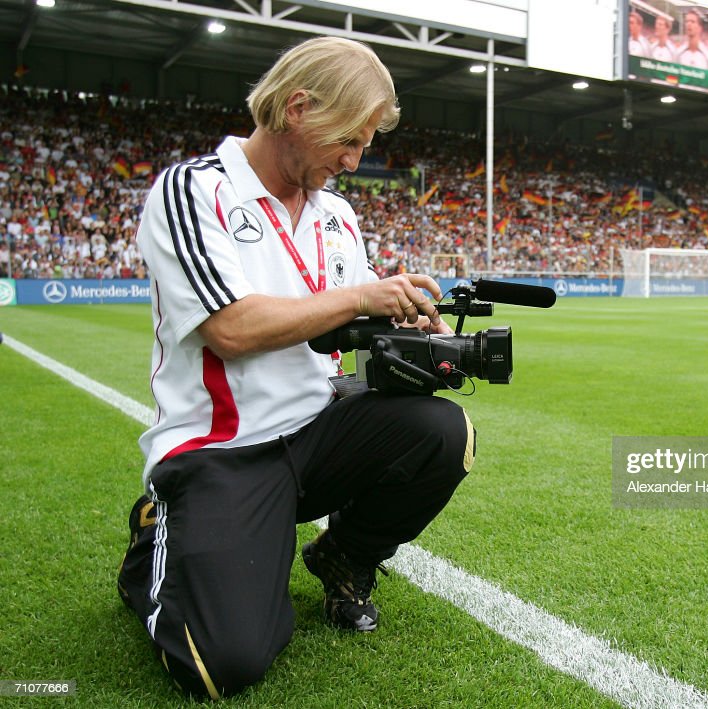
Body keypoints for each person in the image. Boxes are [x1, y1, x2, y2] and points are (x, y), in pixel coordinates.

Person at [116, 36, 476, 699]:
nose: (354, 160)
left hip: (316, 434)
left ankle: (344, 556)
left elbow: (355, 319)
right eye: (348, 139)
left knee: (443, 431)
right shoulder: (195, 190)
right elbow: (232, 328)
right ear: (297, 108)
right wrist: (363, 296)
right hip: (223, 451)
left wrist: (413, 328)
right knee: (222, 664)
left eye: (364, 143)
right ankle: (155, 545)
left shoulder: (337, 214)